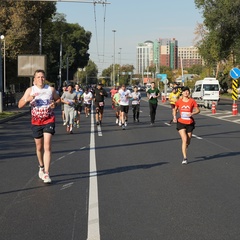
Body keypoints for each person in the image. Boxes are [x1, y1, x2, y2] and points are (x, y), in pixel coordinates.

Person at [18, 69, 60, 183]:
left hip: (49, 120)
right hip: (36, 122)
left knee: (47, 146)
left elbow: (58, 99)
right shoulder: (30, 90)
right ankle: (41, 167)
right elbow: (19, 105)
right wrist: (27, 99)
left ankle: (46, 173)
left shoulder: (50, 89)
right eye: (38, 77)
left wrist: (54, 104)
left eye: (42, 77)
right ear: (34, 80)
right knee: (39, 147)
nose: (40, 79)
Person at [173, 86, 200, 165]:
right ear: (182, 92)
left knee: (188, 141)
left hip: (190, 122)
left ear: (189, 92)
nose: (186, 92)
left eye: (187, 91)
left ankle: (185, 147)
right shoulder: (179, 101)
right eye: (184, 91)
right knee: (184, 139)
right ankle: (185, 158)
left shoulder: (192, 101)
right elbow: (175, 109)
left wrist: (192, 113)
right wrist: (174, 117)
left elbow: (198, 110)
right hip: (181, 122)